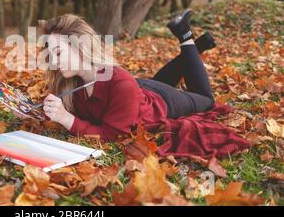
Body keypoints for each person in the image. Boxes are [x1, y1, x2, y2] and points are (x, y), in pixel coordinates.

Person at [16, 11, 249, 158]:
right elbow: (54, 110)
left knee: (206, 99)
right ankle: (195, 49)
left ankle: (185, 35)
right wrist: (33, 109)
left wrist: (67, 120)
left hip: (160, 102)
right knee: (150, 83)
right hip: (139, 90)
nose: (53, 62)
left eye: (58, 52)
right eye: (50, 55)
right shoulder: (70, 84)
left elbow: (113, 136)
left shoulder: (119, 82)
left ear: (80, 46)